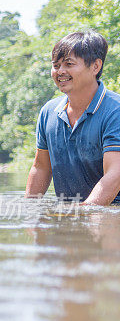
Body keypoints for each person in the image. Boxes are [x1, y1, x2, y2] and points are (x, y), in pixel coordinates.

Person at [26, 30, 120, 205]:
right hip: (70, 214)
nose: (60, 71)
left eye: (69, 64)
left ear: (95, 66)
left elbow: (115, 174)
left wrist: (83, 213)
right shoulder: (49, 111)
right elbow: (41, 168)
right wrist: (29, 212)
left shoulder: (115, 111)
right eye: (56, 65)